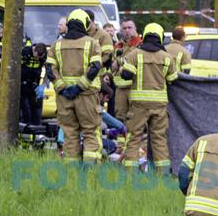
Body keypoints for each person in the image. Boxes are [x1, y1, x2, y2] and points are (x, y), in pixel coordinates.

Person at [118, 23, 179, 173]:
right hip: (159, 106)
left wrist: (122, 64)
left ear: (144, 36)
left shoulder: (135, 54)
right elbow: (173, 80)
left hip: (139, 105)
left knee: (133, 138)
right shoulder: (167, 58)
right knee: (159, 139)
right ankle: (163, 175)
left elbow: (125, 75)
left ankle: (130, 175)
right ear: (160, 37)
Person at [46, 9, 104, 164]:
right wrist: (79, 87)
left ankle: (72, 172)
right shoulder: (92, 43)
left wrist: (62, 88)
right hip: (87, 96)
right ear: (85, 24)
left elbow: (50, 70)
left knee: (69, 133)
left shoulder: (56, 45)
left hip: (65, 98)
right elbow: (95, 67)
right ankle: (90, 170)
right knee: (91, 132)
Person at [111, 18, 142, 122]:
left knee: (135, 119)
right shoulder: (118, 46)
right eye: (124, 28)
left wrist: (120, 61)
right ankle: (122, 138)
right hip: (120, 89)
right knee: (120, 117)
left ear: (135, 28)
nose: (127, 30)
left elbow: (136, 62)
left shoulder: (140, 45)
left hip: (135, 87)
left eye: (130, 27)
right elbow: (112, 66)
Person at [20, 42, 47, 125]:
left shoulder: (44, 56)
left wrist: (43, 84)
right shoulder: (25, 51)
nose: (38, 59)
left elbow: (48, 70)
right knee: (24, 105)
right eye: (37, 56)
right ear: (34, 51)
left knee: (35, 106)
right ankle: (24, 123)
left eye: (40, 57)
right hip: (22, 81)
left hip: (34, 82)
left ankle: (35, 124)